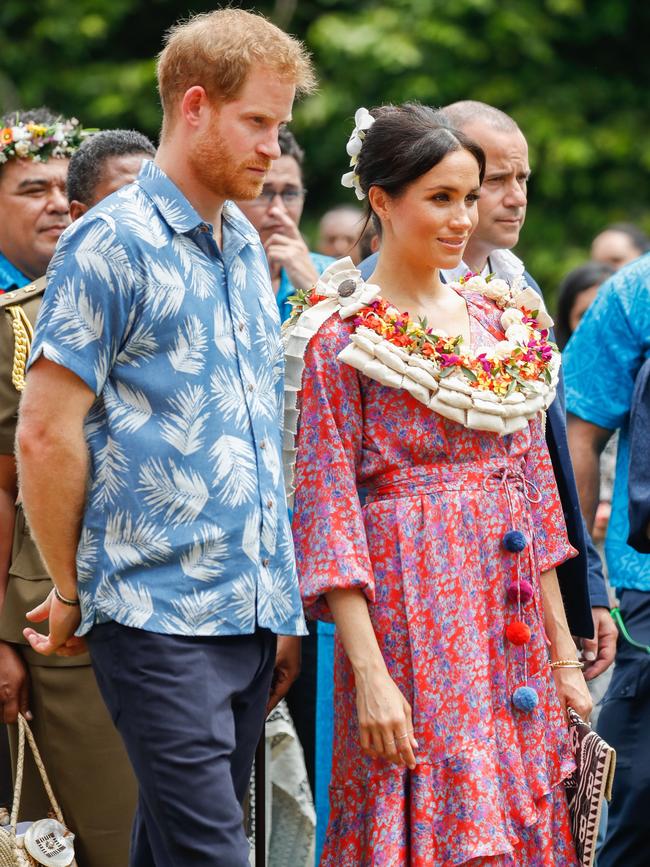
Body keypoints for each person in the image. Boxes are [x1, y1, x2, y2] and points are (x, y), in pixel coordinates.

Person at [15, 9, 315, 867]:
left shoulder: (244, 251)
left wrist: (277, 605)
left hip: (247, 617)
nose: (272, 147)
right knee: (215, 855)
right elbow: (43, 432)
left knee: (172, 851)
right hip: (153, 615)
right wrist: (73, 587)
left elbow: (258, 439)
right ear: (194, 107)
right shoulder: (109, 242)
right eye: (257, 121)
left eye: (281, 127)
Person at [288, 102, 591, 865]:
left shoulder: (504, 324)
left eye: (469, 195)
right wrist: (369, 674)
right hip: (412, 616)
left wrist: (562, 658)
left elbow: (537, 498)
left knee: (523, 805)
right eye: (441, 197)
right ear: (381, 200)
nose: (464, 217)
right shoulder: (340, 334)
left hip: (509, 608)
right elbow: (327, 509)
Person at [359, 100, 615, 668]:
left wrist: (585, 588)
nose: (515, 196)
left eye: (521, 178)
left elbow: (544, 464)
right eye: (494, 180)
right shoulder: (366, 313)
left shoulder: (516, 290)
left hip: (522, 580)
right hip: (409, 588)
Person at [0, 116, 149, 866]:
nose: (55, 204)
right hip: (60, 623)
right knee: (84, 836)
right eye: (35, 189)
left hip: (179, 614)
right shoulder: (20, 324)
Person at [565, 253, 650, 867]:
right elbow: (581, 431)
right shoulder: (637, 290)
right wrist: (582, 580)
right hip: (645, 581)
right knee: (638, 789)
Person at [236, 127, 332, 323]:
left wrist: (317, 292)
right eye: (263, 192)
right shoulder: (211, 275)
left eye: (290, 194)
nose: (278, 210)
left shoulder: (332, 274)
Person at [555, 261, 615, 351]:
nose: (596, 325)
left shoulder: (642, 362)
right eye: (584, 316)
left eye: (606, 313)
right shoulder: (550, 363)